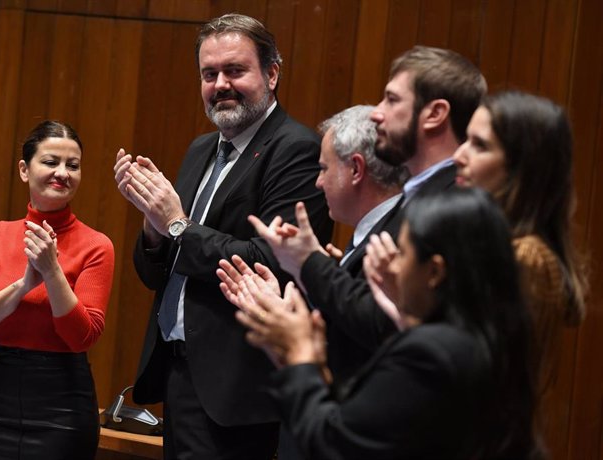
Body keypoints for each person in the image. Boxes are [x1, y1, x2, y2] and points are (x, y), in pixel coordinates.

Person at [113, 13, 331, 460]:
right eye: (209, 74)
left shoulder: (295, 149)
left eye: (235, 70)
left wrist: (177, 223)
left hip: (239, 388)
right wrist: (154, 227)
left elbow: (268, 262)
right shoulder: (200, 149)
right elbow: (156, 273)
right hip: (179, 374)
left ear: (271, 73)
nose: (220, 85)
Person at [233, 188, 539, 459]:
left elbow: (333, 445)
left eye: (402, 253)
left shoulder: (431, 353)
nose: (392, 265)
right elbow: (369, 420)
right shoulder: (493, 337)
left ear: (434, 272)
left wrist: (299, 356)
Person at [244, 46, 486, 354]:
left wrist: (309, 263)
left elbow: (385, 327)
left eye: (393, 99)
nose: (377, 113)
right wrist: (338, 273)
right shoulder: (417, 195)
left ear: (435, 114)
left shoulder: (454, 203)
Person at [218, 104, 407, 390]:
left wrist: (308, 264)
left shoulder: (397, 241)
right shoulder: (372, 234)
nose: (318, 182)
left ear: (356, 169)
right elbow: (348, 319)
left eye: (323, 168)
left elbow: (371, 336)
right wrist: (285, 309)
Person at [0, 120, 115, 459]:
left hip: (63, 405)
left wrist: (52, 270)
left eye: (73, 166)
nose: (63, 173)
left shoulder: (96, 245)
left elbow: (82, 337)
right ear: (24, 170)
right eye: (50, 162)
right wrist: (23, 285)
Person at [452, 90, 588, 454]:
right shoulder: (496, 244)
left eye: (479, 146)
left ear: (521, 168)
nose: (458, 155)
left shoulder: (525, 257)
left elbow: (479, 378)